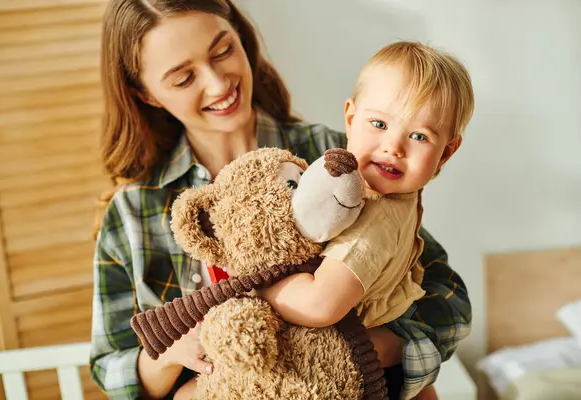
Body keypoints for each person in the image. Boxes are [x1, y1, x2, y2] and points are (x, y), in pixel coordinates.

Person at [89, 1, 472, 399]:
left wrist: (357, 350)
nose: (219, 84)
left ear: (242, 39)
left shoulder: (334, 158)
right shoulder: (133, 211)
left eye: (223, 51)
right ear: (146, 94)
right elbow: (111, 367)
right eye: (184, 78)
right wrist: (173, 352)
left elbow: (448, 299)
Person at [258, 40, 474, 351]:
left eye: (419, 136)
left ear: (446, 153)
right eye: (379, 124)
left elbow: (319, 306)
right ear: (350, 118)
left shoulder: (377, 218)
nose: (394, 147)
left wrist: (254, 284)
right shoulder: (366, 189)